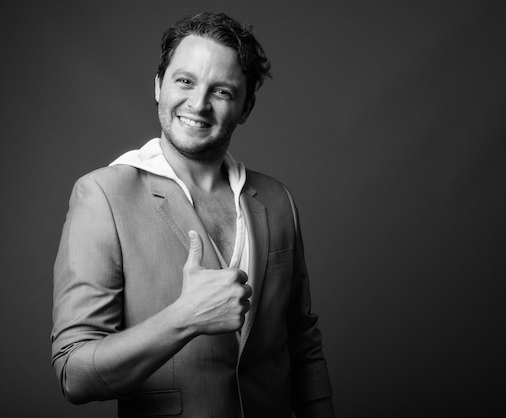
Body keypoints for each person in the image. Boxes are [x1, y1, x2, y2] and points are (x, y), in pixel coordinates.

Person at [51, 11, 334, 417]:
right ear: (158, 85)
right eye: (185, 81)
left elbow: (303, 345)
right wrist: (183, 319)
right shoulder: (102, 195)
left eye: (221, 91)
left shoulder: (276, 199)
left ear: (245, 106)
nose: (198, 104)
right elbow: (73, 375)